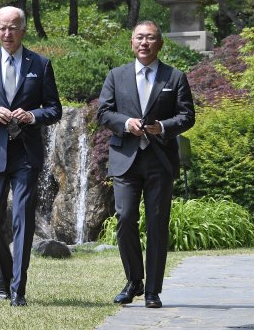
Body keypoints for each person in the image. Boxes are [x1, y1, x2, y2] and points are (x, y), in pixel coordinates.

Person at [0, 6, 62, 307]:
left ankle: (19, 288)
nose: (8, 33)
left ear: (23, 29)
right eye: (3, 28)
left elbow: (54, 109)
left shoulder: (40, 64)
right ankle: (5, 276)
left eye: (13, 27)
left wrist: (32, 115)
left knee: (23, 219)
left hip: (26, 154)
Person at [97, 20, 195, 308]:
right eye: (139, 37)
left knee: (157, 224)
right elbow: (103, 112)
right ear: (131, 43)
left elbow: (187, 115)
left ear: (159, 44)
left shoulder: (175, 77)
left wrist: (162, 127)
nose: (144, 42)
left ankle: (152, 290)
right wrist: (126, 123)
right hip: (125, 159)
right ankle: (134, 281)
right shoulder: (116, 76)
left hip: (160, 160)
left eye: (150, 38)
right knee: (125, 219)